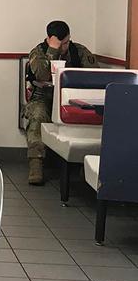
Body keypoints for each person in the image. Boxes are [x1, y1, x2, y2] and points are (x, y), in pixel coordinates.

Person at [24, 20, 98, 185]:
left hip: (73, 97)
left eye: (66, 42)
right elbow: (42, 76)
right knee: (38, 114)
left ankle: (84, 162)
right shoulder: (39, 52)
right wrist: (53, 51)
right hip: (44, 96)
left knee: (89, 115)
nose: (65, 46)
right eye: (61, 43)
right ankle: (36, 163)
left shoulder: (78, 51)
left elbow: (94, 74)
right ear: (49, 39)